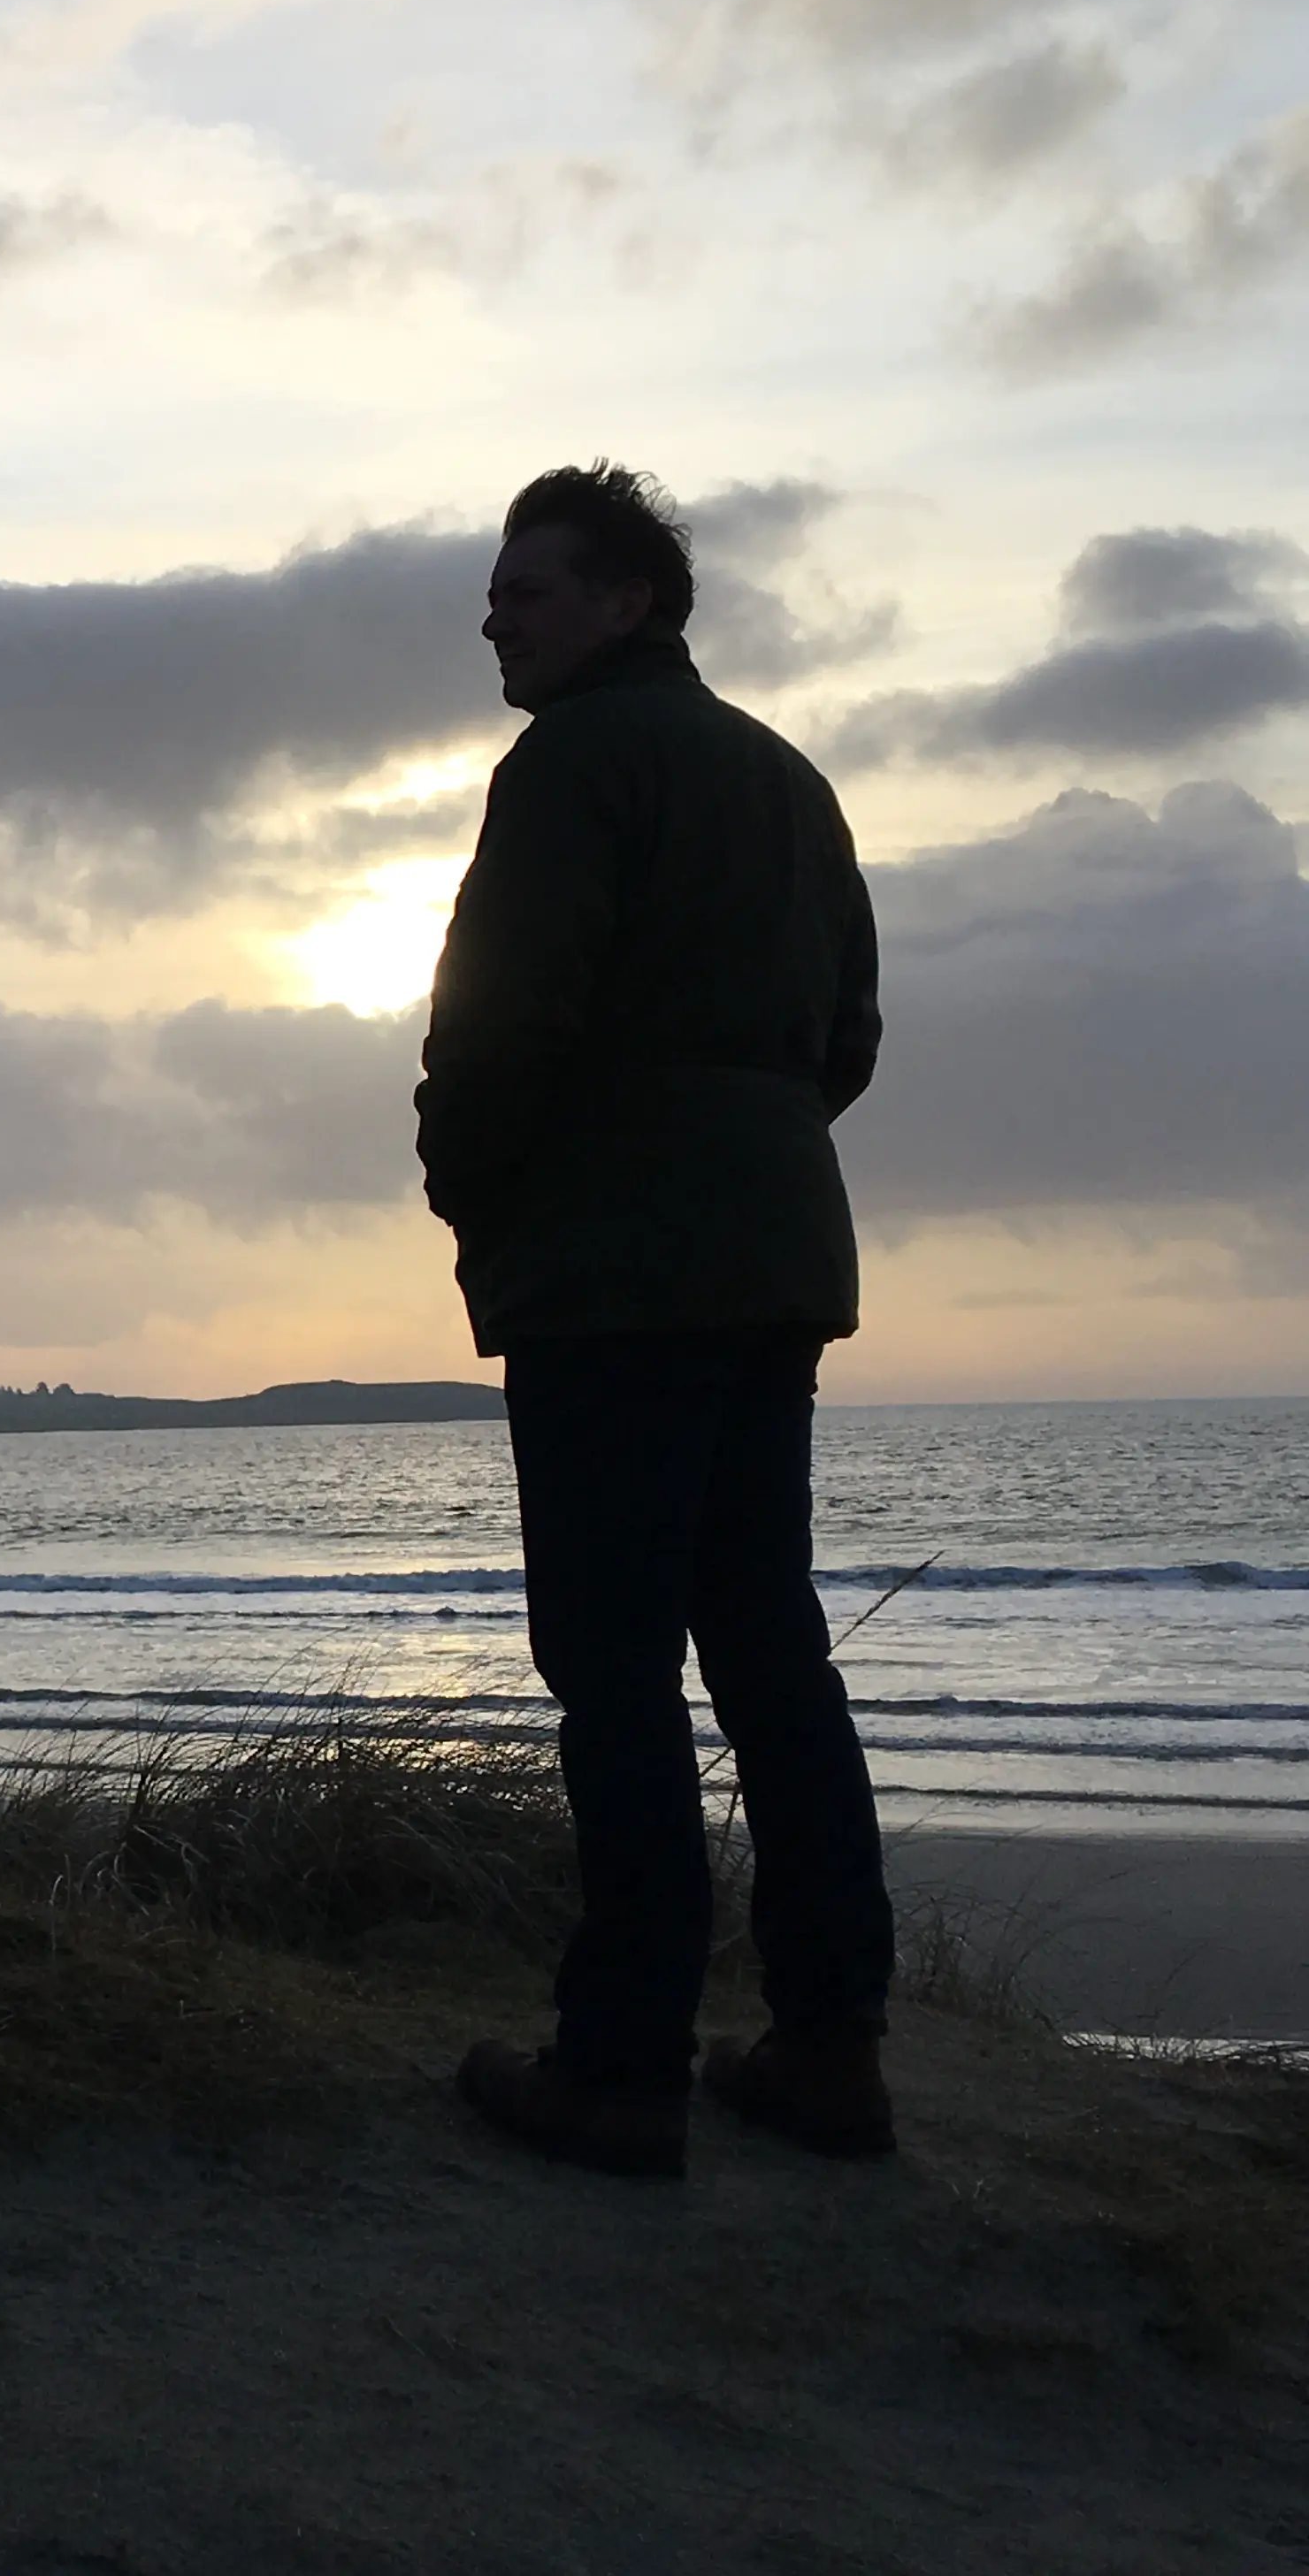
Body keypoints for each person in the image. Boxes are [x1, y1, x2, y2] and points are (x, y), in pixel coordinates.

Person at [417, 466, 894, 2179]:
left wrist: (473, 1187)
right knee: (768, 1649)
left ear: (630, 602)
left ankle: (622, 2067)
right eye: (495, 588)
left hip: (620, 1278)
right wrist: (743, 1151)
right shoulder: (790, 778)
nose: (494, 613)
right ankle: (832, 2049)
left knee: (613, 1667)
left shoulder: (574, 766)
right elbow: (848, 1036)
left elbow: (493, 1025)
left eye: (527, 586)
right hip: (771, 1263)